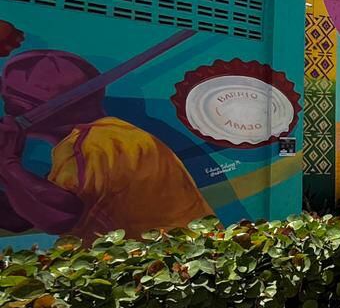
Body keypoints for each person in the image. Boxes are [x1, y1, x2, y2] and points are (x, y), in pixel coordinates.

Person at [0, 50, 213, 242]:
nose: (8, 111)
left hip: (164, 260)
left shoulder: (94, 144)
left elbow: (59, 218)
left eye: (10, 100)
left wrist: (7, 163)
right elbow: (23, 217)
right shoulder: (110, 134)